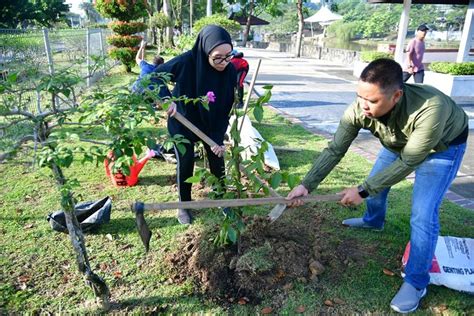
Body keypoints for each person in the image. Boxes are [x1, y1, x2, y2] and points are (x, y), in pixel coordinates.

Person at [286, 59, 468, 313]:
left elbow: (409, 161)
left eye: (372, 101)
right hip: (398, 142)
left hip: (442, 148)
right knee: (376, 182)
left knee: (423, 214)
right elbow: (336, 148)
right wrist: (307, 185)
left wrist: (362, 190)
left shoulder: (430, 108)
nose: (364, 105)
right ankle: (374, 220)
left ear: (396, 96)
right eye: (360, 96)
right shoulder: (358, 109)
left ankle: (416, 282)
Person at [153, 25, 236, 225]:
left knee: (217, 160)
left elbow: (226, 105)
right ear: (206, 50)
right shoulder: (186, 62)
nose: (224, 62)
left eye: (228, 56)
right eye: (218, 57)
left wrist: (218, 136)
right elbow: (154, 76)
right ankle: (184, 205)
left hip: (211, 123)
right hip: (182, 121)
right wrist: (166, 99)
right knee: (186, 161)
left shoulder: (230, 71)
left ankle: (221, 198)